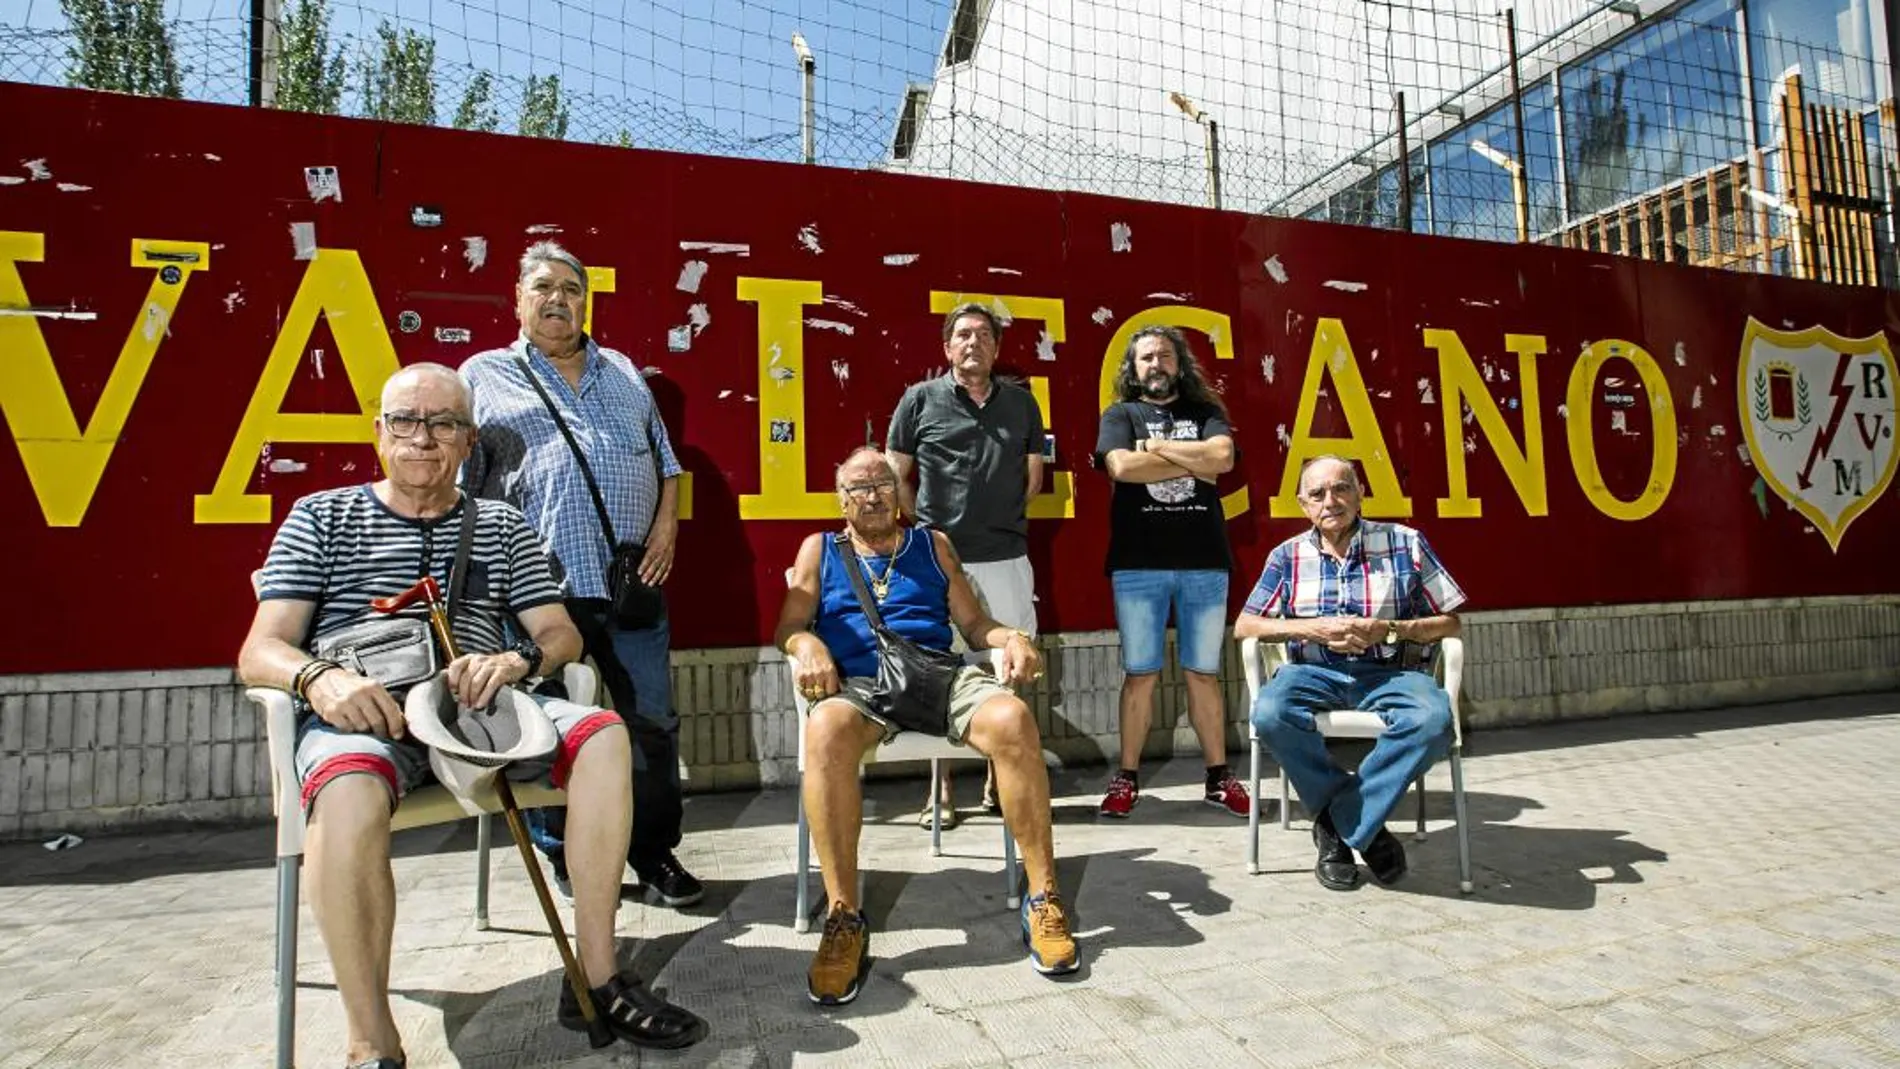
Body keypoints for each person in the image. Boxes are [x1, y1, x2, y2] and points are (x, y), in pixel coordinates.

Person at [236, 364, 707, 1066]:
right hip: (370, 719)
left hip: (482, 711)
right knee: (347, 790)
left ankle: (597, 980)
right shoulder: (323, 516)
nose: (424, 438)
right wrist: (317, 676)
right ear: (379, 433)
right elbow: (260, 647)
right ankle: (372, 1040)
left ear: (469, 441)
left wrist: (519, 661)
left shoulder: (500, 524)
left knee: (605, 733)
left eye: (445, 423)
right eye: (407, 420)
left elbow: (560, 634)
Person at [775, 447, 1080, 1004]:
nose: (872, 495)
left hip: (935, 676)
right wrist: (808, 642)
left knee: (1011, 717)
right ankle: (844, 917)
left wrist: (1011, 637)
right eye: (859, 487)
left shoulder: (932, 545)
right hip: (859, 686)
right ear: (841, 500)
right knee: (825, 731)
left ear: (899, 493)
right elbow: (788, 626)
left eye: (883, 485)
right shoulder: (820, 550)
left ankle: (1044, 898)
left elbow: (973, 622)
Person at [462, 241, 702, 908]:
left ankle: (654, 852)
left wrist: (666, 527)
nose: (558, 298)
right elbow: (463, 493)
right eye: (543, 286)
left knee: (650, 721)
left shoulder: (623, 370)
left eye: (571, 287)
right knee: (551, 725)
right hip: (539, 595)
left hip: (631, 585)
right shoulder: (482, 376)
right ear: (517, 299)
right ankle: (565, 851)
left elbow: (666, 465)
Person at [1234, 455, 1465, 890]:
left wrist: (1389, 628)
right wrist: (1312, 630)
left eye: (1341, 488)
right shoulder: (1287, 556)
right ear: (1303, 505)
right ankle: (1366, 827)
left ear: (1361, 495)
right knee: (1270, 714)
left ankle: (1336, 824)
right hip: (1312, 672)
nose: (1331, 501)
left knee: (1434, 720)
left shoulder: (1405, 543)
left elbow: (1451, 622)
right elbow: (1246, 625)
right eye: (1317, 494)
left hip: (1389, 671)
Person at [887, 302, 1045, 828]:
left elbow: (1033, 479)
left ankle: (1000, 782)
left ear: (997, 348)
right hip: (938, 562)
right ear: (947, 348)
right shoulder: (919, 400)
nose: (973, 341)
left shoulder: (1023, 406)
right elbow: (896, 478)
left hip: (1005, 558)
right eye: (962, 334)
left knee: (1010, 668)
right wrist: (930, 536)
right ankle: (942, 789)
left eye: (983, 334)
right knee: (937, 671)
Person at [1094, 326, 1251, 819]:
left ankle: (1218, 778)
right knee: (1140, 673)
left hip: (1204, 562)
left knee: (1203, 673)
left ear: (1179, 364)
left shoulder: (1207, 414)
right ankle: (1127, 777)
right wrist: (1192, 464)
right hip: (1139, 564)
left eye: (1164, 355)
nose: (1155, 364)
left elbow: (1222, 459)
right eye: (1145, 358)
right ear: (1133, 368)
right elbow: (1120, 467)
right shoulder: (1120, 415)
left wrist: (1157, 451)